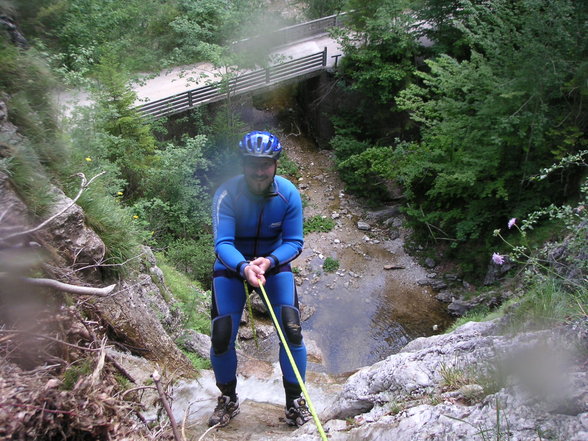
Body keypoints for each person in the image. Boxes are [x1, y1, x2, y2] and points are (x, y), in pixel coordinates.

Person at [208, 130, 311, 428]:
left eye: (265, 163)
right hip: (232, 265)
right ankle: (228, 398)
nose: (259, 170)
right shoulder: (227, 194)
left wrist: (269, 261)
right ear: (243, 163)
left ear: (276, 164)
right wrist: (244, 267)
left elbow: (294, 241)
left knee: (291, 332)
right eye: (252, 163)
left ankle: (295, 403)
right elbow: (222, 242)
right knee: (221, 334)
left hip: (272, 264)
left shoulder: (288, 194)